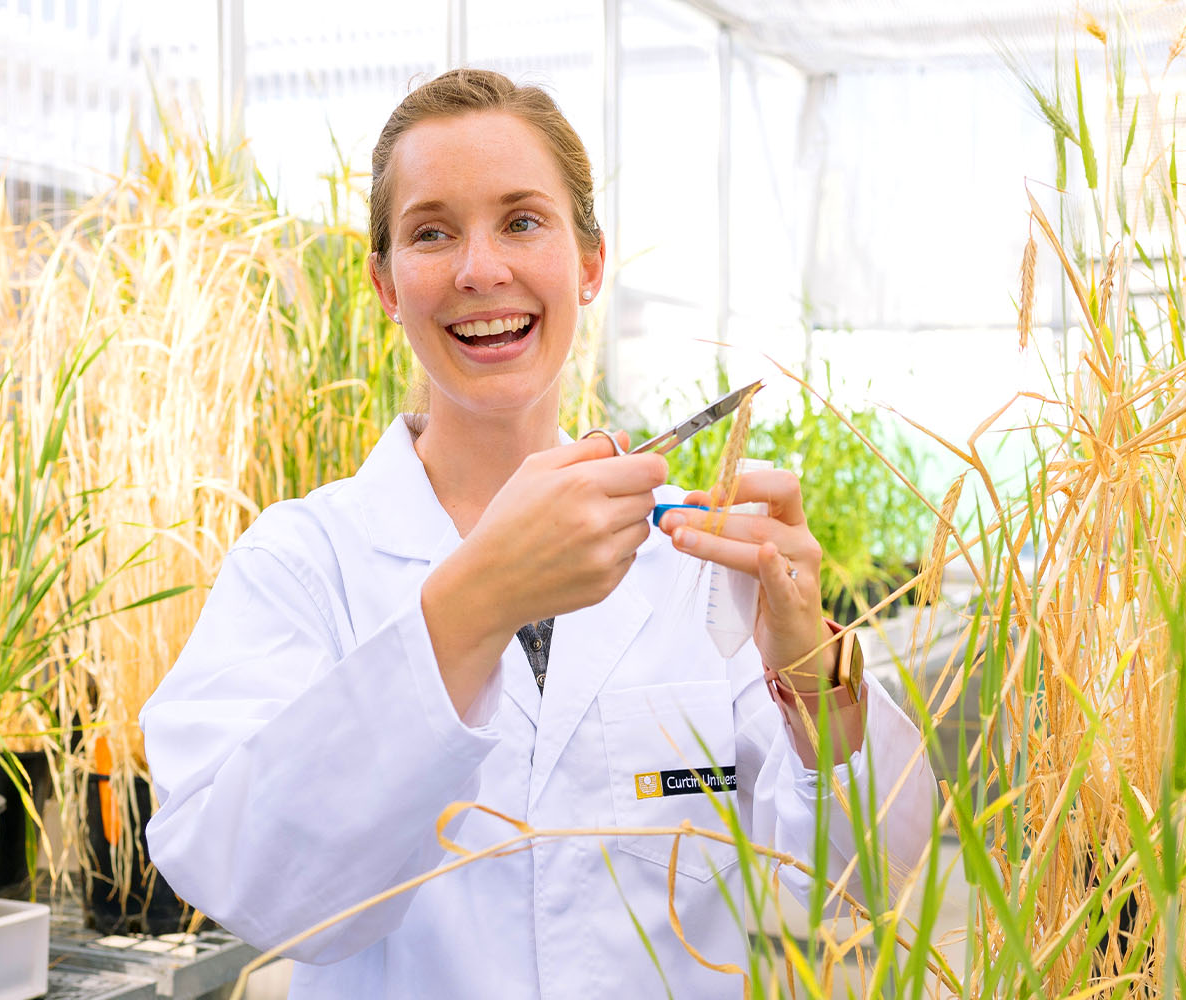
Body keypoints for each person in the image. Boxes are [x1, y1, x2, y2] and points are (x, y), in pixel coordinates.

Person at [141, 68, 933, 998]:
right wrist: (479, 600)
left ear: (591, 263)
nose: (481, 269)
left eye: (522, 221)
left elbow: (858, 876)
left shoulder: (693, 557)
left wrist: (817, 669)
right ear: (387, 285)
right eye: (431, 232)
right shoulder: (304, 564)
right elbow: (254, 883)